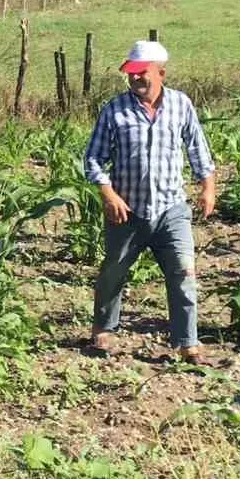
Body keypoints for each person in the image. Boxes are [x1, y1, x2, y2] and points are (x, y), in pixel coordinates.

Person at [84, 39, 216, 365]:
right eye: (131, 74)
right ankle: (103, 328)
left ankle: (188, 342)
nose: (136, 80)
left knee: (183, 273)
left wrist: (207, 187)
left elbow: (198, 149)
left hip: (172, 208)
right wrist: (108, 193)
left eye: (142, 73)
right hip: (127, 210)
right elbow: (93, 159)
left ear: (161, 73)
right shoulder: (114, 111)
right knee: (113, 271)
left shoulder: (181, 105)